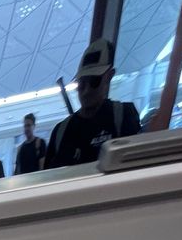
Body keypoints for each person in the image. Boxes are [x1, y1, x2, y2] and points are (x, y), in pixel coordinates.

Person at [45, 38, 141, 169]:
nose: (86, 91)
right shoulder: (61, 132)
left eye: (94, 82)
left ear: (109, 76)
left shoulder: (124, 116)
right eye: (82, 84)